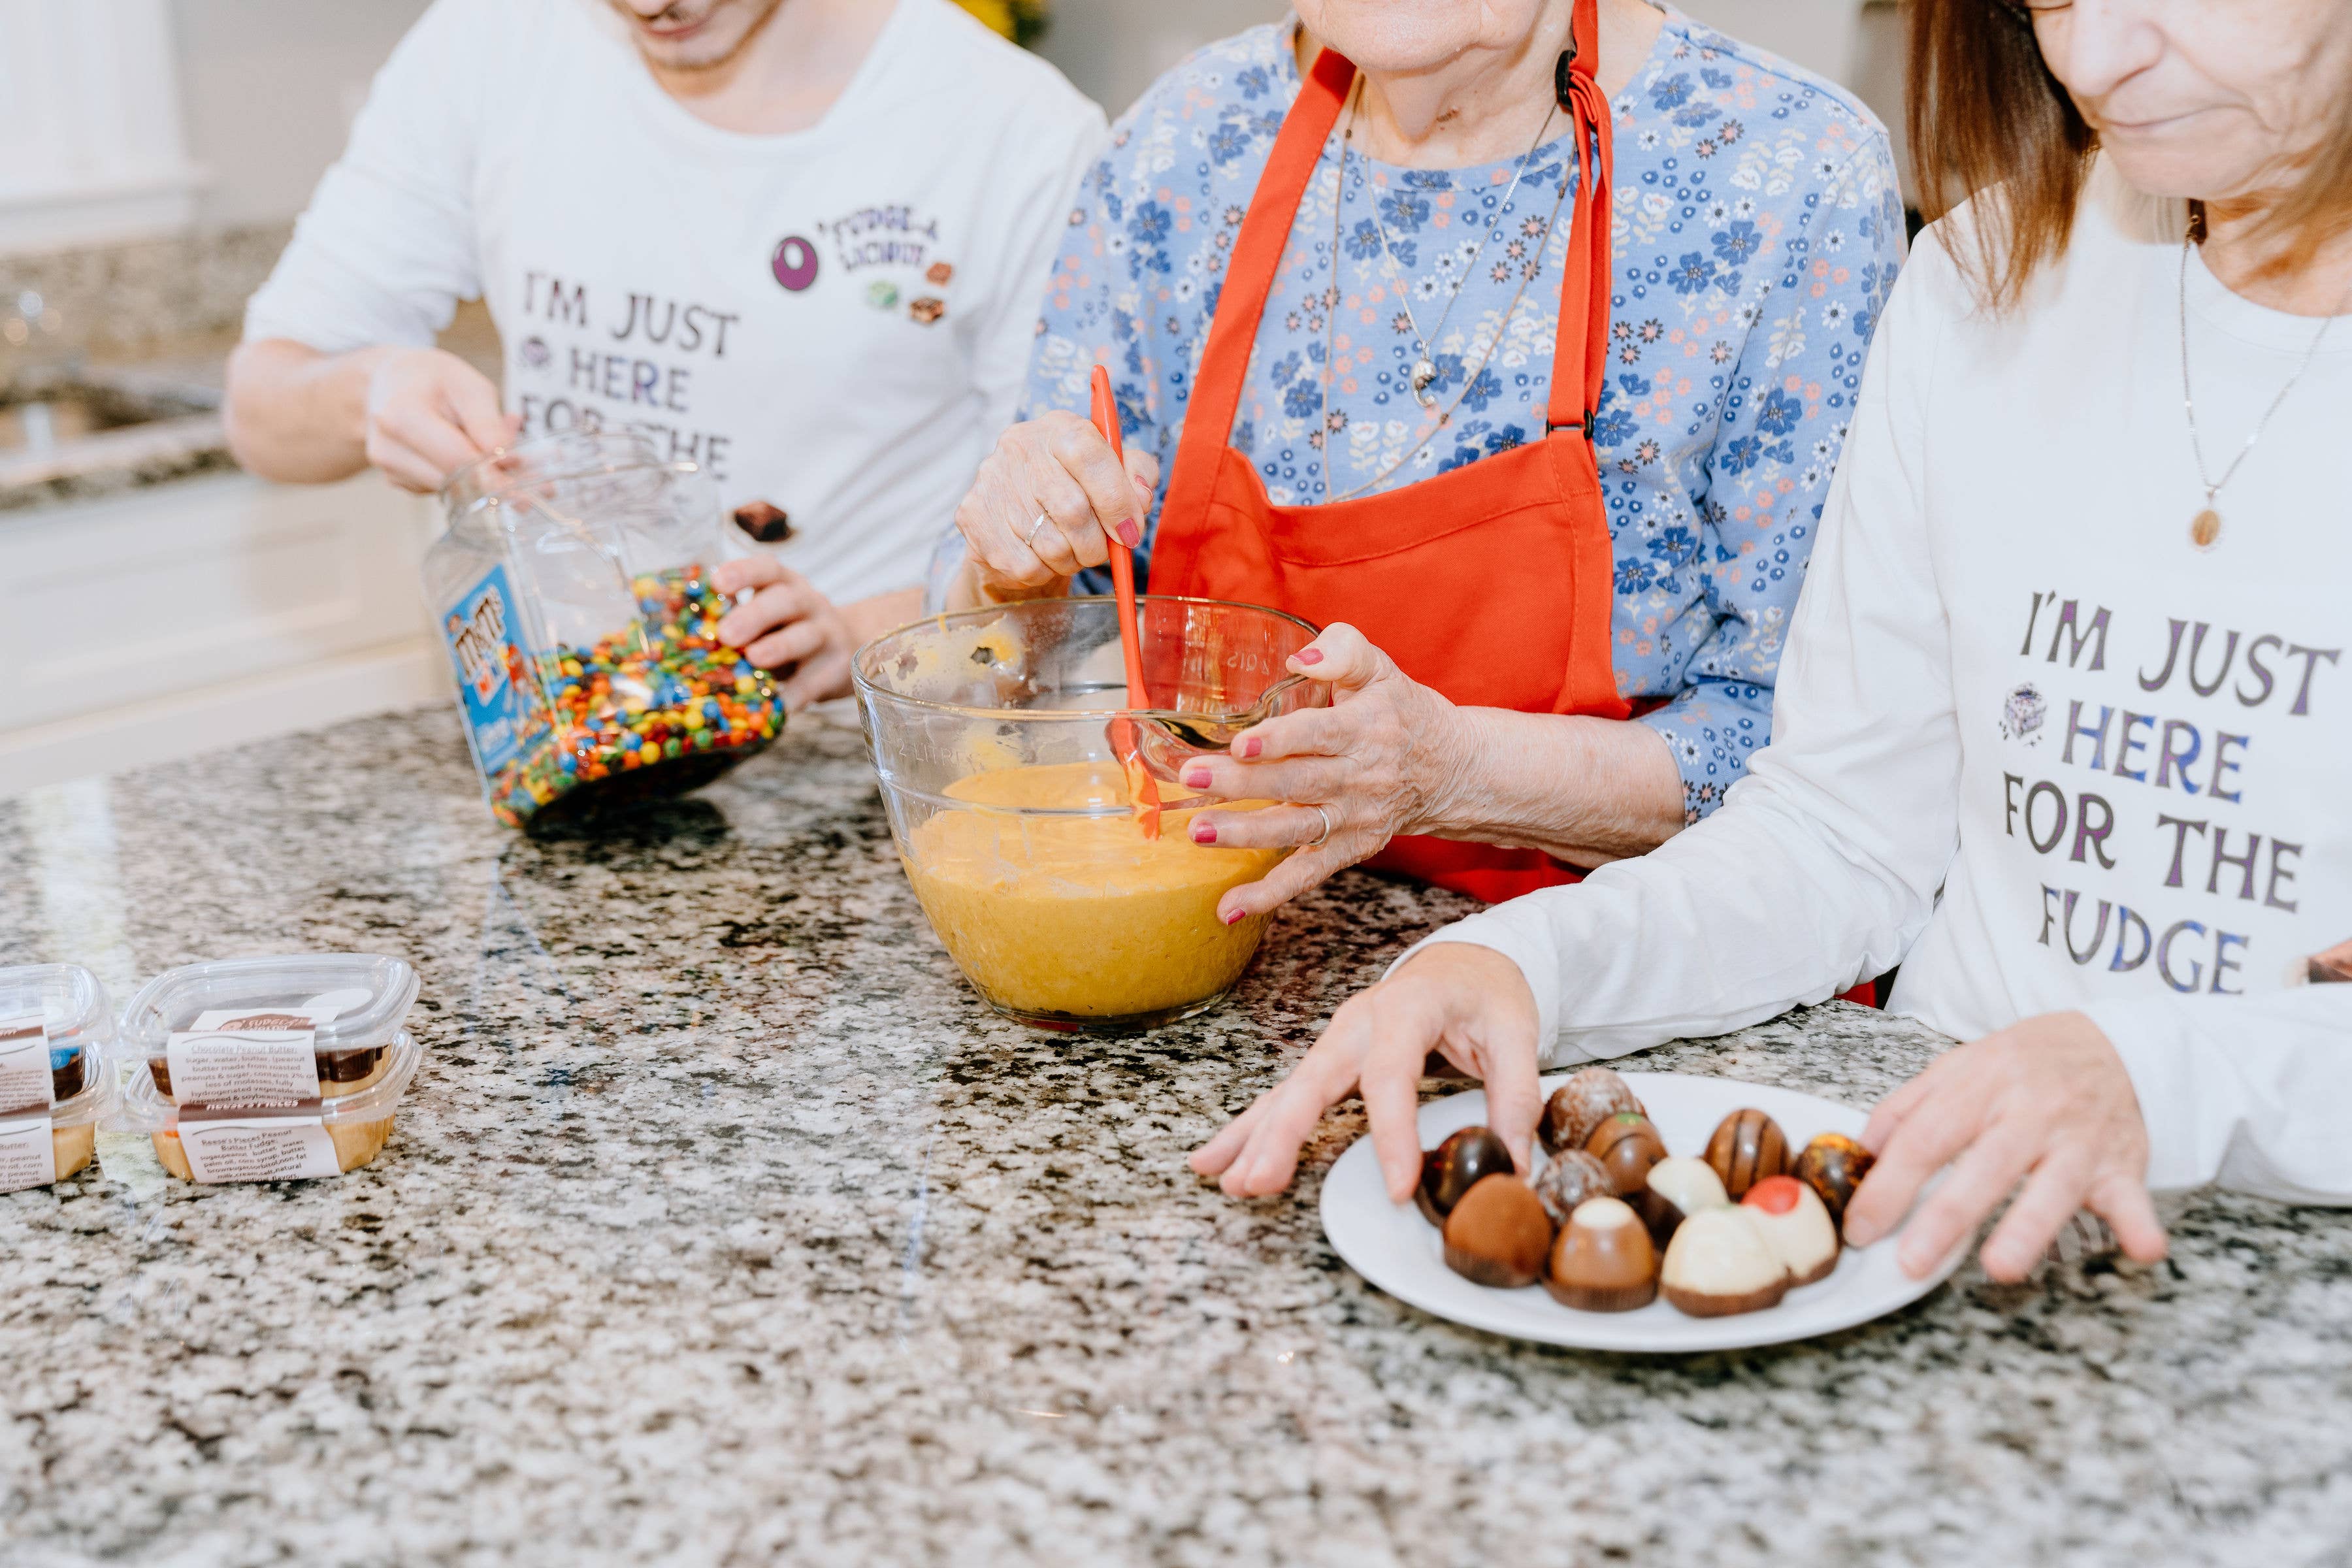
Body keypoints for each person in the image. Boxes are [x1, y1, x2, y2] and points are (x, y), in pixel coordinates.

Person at [1192, 0, 2352, 1283]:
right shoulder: (1981, 281)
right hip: (1926, 1218)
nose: (2094, 60)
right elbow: (1841, 837)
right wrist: (1519, 961)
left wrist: (2151, 1071)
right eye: (2056, 0)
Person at [938, 0, 1904, 919]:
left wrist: (1452, 770)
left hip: (1639, 976)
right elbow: (1016, 663)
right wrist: (1012, 560)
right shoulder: (1182, 147)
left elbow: (1819, 761)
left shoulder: (1785, 176)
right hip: (1238, 939)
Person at [224, 0, 1103, 708]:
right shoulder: (485, 43)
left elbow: (1074, 571)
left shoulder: (1015, 131)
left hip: (863, 766)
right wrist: (368, 390)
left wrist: (858, 636)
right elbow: (261, 412)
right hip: (562, 736)